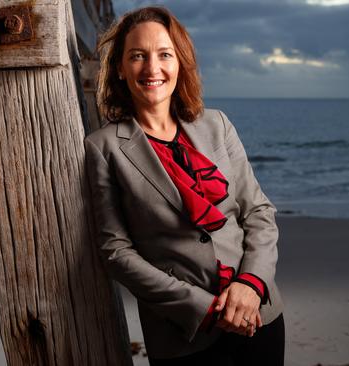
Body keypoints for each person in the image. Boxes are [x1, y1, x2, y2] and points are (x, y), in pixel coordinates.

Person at [84, 6, 285, 365]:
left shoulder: (217, 125)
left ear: (180, 62)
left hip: (257, 314)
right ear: (119, 67)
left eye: (164, 54)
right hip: (184, 334)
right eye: (137, 56)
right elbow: (116, 251)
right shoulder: (104, 147)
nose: (152, 68)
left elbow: (258, 212)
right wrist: (202, 307)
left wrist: (252, 283)